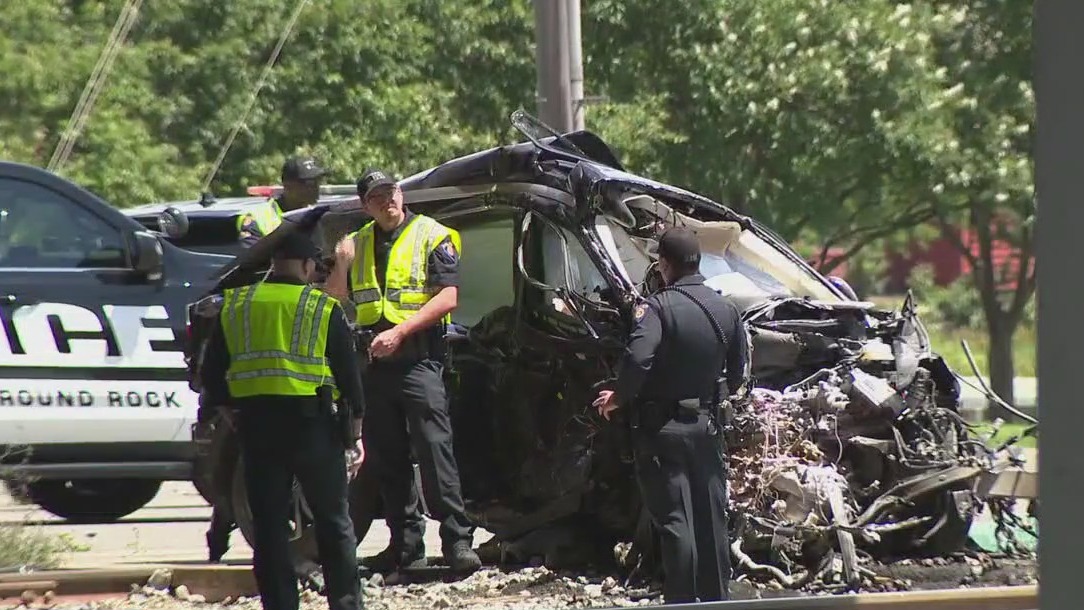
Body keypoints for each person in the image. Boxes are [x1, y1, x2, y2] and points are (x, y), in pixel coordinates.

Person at [324, 168, 481, 573]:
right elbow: (336, 298)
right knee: (388, 458)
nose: (387, 201)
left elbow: (448, 298)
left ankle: (457, 542)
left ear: (401, 194)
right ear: (365, 206)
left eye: (391, 193)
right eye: (377, 198)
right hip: (375, 365)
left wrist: (400, 332)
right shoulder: (355, 244)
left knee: (434, 451)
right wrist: (341, 264)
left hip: (417, 359)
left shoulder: (432, 235)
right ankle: (406, 546)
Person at [200, 230, 367, 610]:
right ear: (308, 266)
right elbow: (349, 380)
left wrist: (236, 417)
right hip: (314, 429)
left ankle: (279, 604)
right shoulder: (322, 308)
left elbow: (212, 380)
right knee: (334, 522)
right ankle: (346, 603)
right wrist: (354, 436)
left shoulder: (236, 304)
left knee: (270, 529)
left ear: (273, 265)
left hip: (258, 430)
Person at [593, 226, 748, 604]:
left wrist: (618, 396)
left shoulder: (658, 307)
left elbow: (638, 358)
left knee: (677, 522)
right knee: (711, 520)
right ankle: (716, 600)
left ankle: (681, 601)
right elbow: (739, 370)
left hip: (663, 429)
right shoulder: (726, 309)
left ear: (664, 264)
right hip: (707, 427)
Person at [238, 155, 326, 246]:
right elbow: (250, 257)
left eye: (318, 182)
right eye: (309, 183)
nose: (316, 188)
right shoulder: (258, 218)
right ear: (288, 186)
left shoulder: (317, 217)